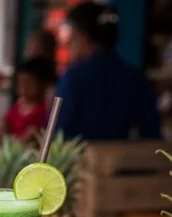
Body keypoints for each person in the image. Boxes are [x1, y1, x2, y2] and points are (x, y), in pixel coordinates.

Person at [56, 2, 161, 140]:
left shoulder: (74, 77)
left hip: (79, 160)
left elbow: (58, 133)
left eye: (72, 36)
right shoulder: (137, 78)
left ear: (83, 38)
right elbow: (152, 136)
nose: (68, 43)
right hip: (126, 160)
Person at [3, 58, 55, 141]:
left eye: (28, 83)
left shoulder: (45, 108)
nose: (23, 88)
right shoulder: (19, 105)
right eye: (20, 83)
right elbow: (6, 122)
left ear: (43, 84)